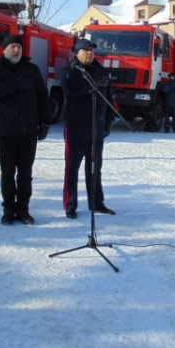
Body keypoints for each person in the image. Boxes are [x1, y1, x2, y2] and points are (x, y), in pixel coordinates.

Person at [0, 34, 50, 226]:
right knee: (7, 173)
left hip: (28, 132)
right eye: (12, 46)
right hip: (5, 132)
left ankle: (23, 210)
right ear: (4, 49)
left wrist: (45, 122)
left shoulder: (32, 70)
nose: (16, 50)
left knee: (25, 173)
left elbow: (42, 98)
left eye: (19, 47)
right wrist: (16, 85)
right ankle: (8, 211)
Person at [61, 38, 116, 219]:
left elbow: (108, 98)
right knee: (72, 168)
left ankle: (96, 203)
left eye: (92, 50)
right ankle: (70, 204)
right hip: (76, 127)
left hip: (96, 126)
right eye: (85, 50)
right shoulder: (70, 71)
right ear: (77, 52)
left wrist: (108, 122)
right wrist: (91, 87)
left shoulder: (102, 72)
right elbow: (71, 91)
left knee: (94, 167)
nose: (89, 53)